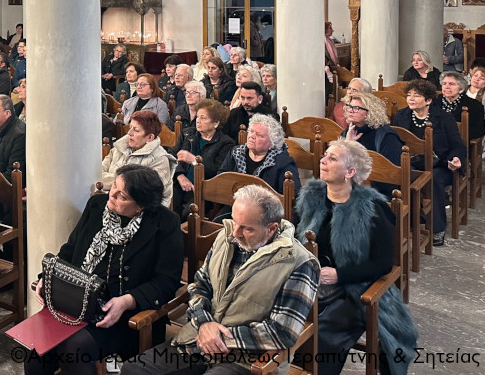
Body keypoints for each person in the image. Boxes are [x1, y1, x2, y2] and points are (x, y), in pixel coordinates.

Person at [121, 185, 319, 375]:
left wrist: (219, 337)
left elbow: (282, 332)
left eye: (247, 229)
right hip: (198, 340)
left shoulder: (299, 263)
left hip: (247, 359)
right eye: (234, 221)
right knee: (133, 370)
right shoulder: (226, 237)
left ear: (272, 228)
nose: (235, 233)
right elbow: (200, 284)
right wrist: (204, 323)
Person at [26, 165, 183, 375]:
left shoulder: (165, 223)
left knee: (73, 348)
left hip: (123, 314)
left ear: (140, 206)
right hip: (77, 301)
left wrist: (126, 301)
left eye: (122, 196)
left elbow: (166, 282)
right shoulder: (97, 205)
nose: (112, 194)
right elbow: (70, 249)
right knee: (36, 348)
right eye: (114, 186)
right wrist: (48, 277)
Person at [295, 141, 418, 375]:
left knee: (320, 336)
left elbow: (383, 263)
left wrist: (339, 275)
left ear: (350, 172)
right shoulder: (310, 196)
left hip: (354, 289)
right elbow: (294, 235)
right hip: (310, 281)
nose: (322, 160)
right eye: (325, 155)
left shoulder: (372, 209)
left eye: (332, 158)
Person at [391, 79, 466, 246]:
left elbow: (457, 145)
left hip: (440, 164)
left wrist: (455, 159)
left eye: (416, 96)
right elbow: (396, 143)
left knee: (434, 180)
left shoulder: (444, 118)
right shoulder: (401, 116)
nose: (411, 98)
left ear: (428, 100)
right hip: (413, 162)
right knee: (401, 176)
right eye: (409, 95)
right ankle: (411, 220)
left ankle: (437, 228)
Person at [170, 99, 236, 218]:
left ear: (215, 123)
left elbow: (218, 172)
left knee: (187, 215)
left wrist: (194, 160)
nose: (198, 121)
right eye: (197, 117)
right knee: (166, 207)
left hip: (203, 189)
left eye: (203, 118)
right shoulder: (188, 134)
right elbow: (171, 156)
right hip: (180, 182)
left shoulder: (226, 143)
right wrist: (180, 175)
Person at [101, 110, 175, 208]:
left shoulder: (160, 159)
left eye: (136, 130)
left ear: (150, 138)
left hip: (141, 210)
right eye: (130, 127)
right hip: (110, 201)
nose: (129, 133)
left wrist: (109, 184)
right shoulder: (119, 147)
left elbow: (143, 194)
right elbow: (97, 175)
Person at [217, 114, 301, 195]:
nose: (251, 136)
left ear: (272, 143)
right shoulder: (236, 152)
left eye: (259, 135)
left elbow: (292, 195)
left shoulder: (283, 162)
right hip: (232, 202)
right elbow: (220, 180)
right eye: (251, 131)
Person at [439, 70, 485, 140]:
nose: (447, 87)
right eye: (444, 83)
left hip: (460, 142)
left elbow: (479, 131)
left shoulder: (475, 106)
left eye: (451, 84)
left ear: (461, 89)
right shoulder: (434, 102)